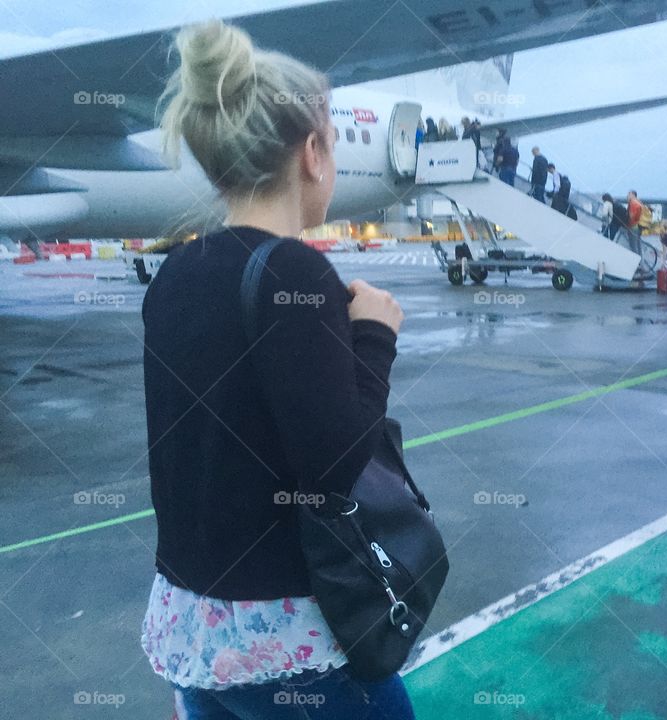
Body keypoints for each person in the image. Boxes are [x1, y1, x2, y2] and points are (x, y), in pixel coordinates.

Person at [144, 20, 412, 719]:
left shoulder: (176, 271)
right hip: (285, 636)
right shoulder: (294, 270)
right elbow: (336, 464)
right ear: (316, 152)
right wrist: (376, 337)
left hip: (193, 627)